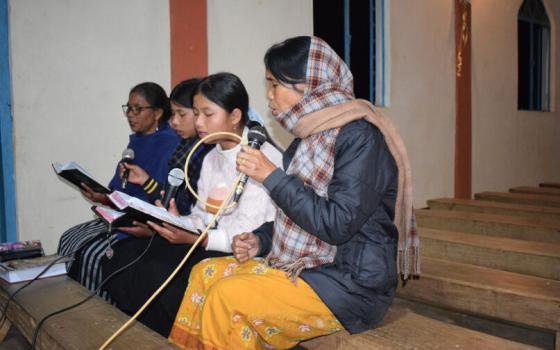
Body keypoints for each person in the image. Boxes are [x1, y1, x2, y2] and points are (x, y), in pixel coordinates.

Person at [168, 36, 419, 349]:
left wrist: (271, 176)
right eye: (268, 84)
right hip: (310, 268)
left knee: (227, 296)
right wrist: (261, 238)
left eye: (275, 84)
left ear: (311, 85)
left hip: (350, 285)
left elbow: (336, 224)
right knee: (205, 273)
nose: (269, 96)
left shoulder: (360, 138)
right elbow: (298, 218)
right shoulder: (307, 139)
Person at [102, 72, 283, 337]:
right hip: (207, 241)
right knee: (125, 258)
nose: (198, 122)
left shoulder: (263, 158)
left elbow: (247, 234)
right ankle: (151, 337)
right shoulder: (211, 157)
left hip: (244, 251)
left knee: (160, 274)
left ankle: (178, 337)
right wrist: (177, 220)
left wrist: (194, 237)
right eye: (196, 113)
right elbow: (201, 216)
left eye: (208, 114)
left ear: (234, 116)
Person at [57, 82, 180, 299]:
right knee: (70, 238)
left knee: (95, 255)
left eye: (138, 109)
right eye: (128, 108)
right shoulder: (136, 143)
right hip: (120, 214)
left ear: (158, 112)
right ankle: (72, 310)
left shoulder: (170, 145)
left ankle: (100, 314)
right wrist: (101, 197)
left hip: (143, 221)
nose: (130, 115)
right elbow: (118, 188)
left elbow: (163, 196)